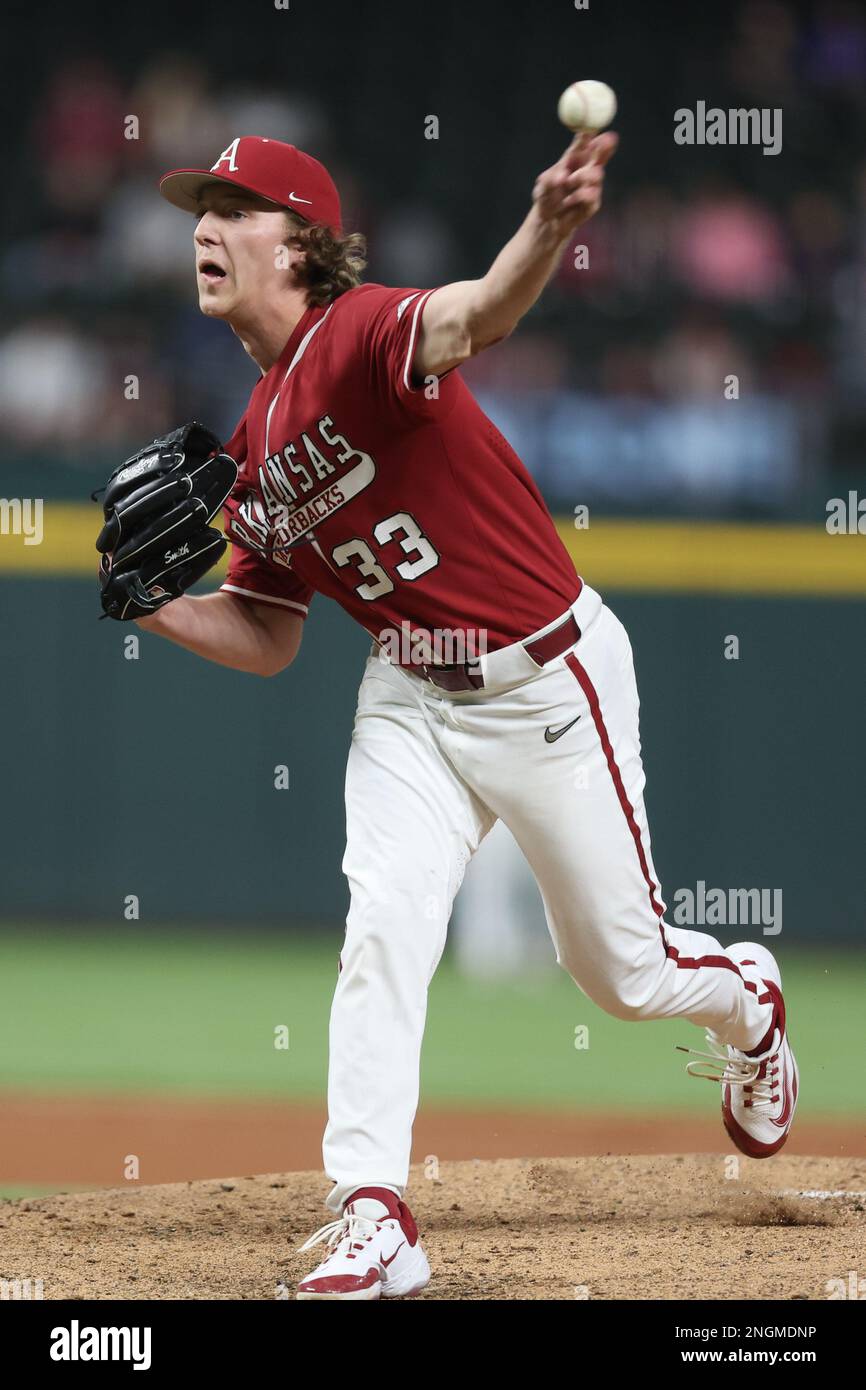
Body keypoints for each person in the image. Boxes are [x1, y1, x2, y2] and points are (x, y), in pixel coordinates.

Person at [143, 132, 798, 1300]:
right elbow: (268, 631)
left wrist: (547, 224)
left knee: (620, 974)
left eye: (235, 208)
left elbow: (480, 315)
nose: (204, 225)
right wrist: (156, 608)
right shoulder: (250, 443)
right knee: (383, 920)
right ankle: (374, 1216)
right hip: (408, 693)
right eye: (201, 206)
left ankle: (746, 995)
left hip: (546, 679)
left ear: (300, 243)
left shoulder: (356, 334)